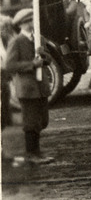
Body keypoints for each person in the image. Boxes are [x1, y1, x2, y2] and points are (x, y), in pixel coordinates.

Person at [4, 9, 55, 164]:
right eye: (30, 21)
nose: (33, 23)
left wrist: (44, 56)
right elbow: (10, 65)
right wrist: (32, 64)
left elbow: (48, 60)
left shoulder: (39, 39)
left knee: (42, 120)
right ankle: (32, 153)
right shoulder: (17, 41)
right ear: (22, 24)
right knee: (31, 122)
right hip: (27, 88)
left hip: (41, 88)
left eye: (33, 20)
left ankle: (35, 151)